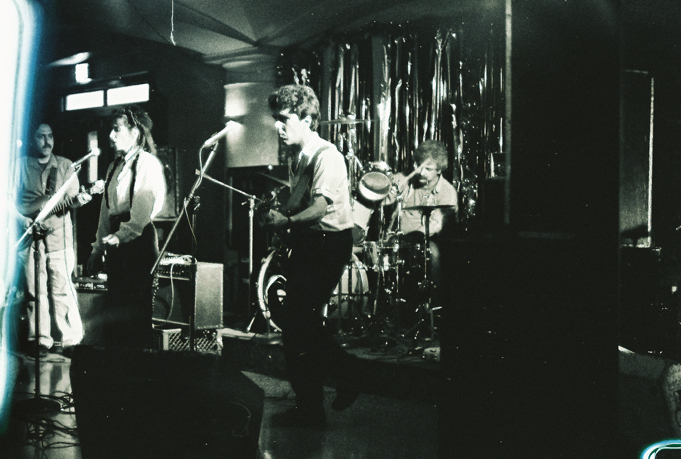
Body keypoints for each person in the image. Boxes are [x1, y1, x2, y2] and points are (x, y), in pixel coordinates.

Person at [262, 84, 362, 427]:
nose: (278, 126)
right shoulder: (299, 157)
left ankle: (347, 372)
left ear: (307, 119)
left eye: (285, 118)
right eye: (276, 119)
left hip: (328, 244)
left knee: (298, 322)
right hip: (310, 243)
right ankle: (311, 407)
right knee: (296, 326)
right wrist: (279, 217)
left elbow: (320, 208)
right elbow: (301, 206)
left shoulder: (327, 155)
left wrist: (287, 221)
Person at [87, 106, 165, 349]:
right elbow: (106, 212)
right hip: (117, 243)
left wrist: (120, 236)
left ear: (134, 133)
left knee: (135, 314)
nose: (111, 136)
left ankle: (136, 369)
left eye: (116, 129)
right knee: (116, 311)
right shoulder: (114, 167)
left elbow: (142, 211)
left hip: (138, 243)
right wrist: (97, 249)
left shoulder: (147, 164)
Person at [17, 122, 91, 358]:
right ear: (32, 139)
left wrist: (80, 199)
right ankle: (39, 339)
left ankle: (69, 340)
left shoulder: (66, 166)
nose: (47, 141)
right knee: (34, 290)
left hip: (59, 238)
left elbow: (72, 200)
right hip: (30, 239)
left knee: (62, 290)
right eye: (41, 136)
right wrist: (20, 218)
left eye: (50, 136)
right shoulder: (19, 166)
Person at [384, 139, 458, 311]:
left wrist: (410, 238)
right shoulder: (405, 180)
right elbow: (381, 200)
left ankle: (433, 306)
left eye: (428, 169)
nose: (421, 172)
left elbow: (436, 225)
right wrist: (387, 190)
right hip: (395, 241)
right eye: (418, 166)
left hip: (424, 243)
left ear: (439, 170)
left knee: (434, 253)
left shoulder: (447, 192)